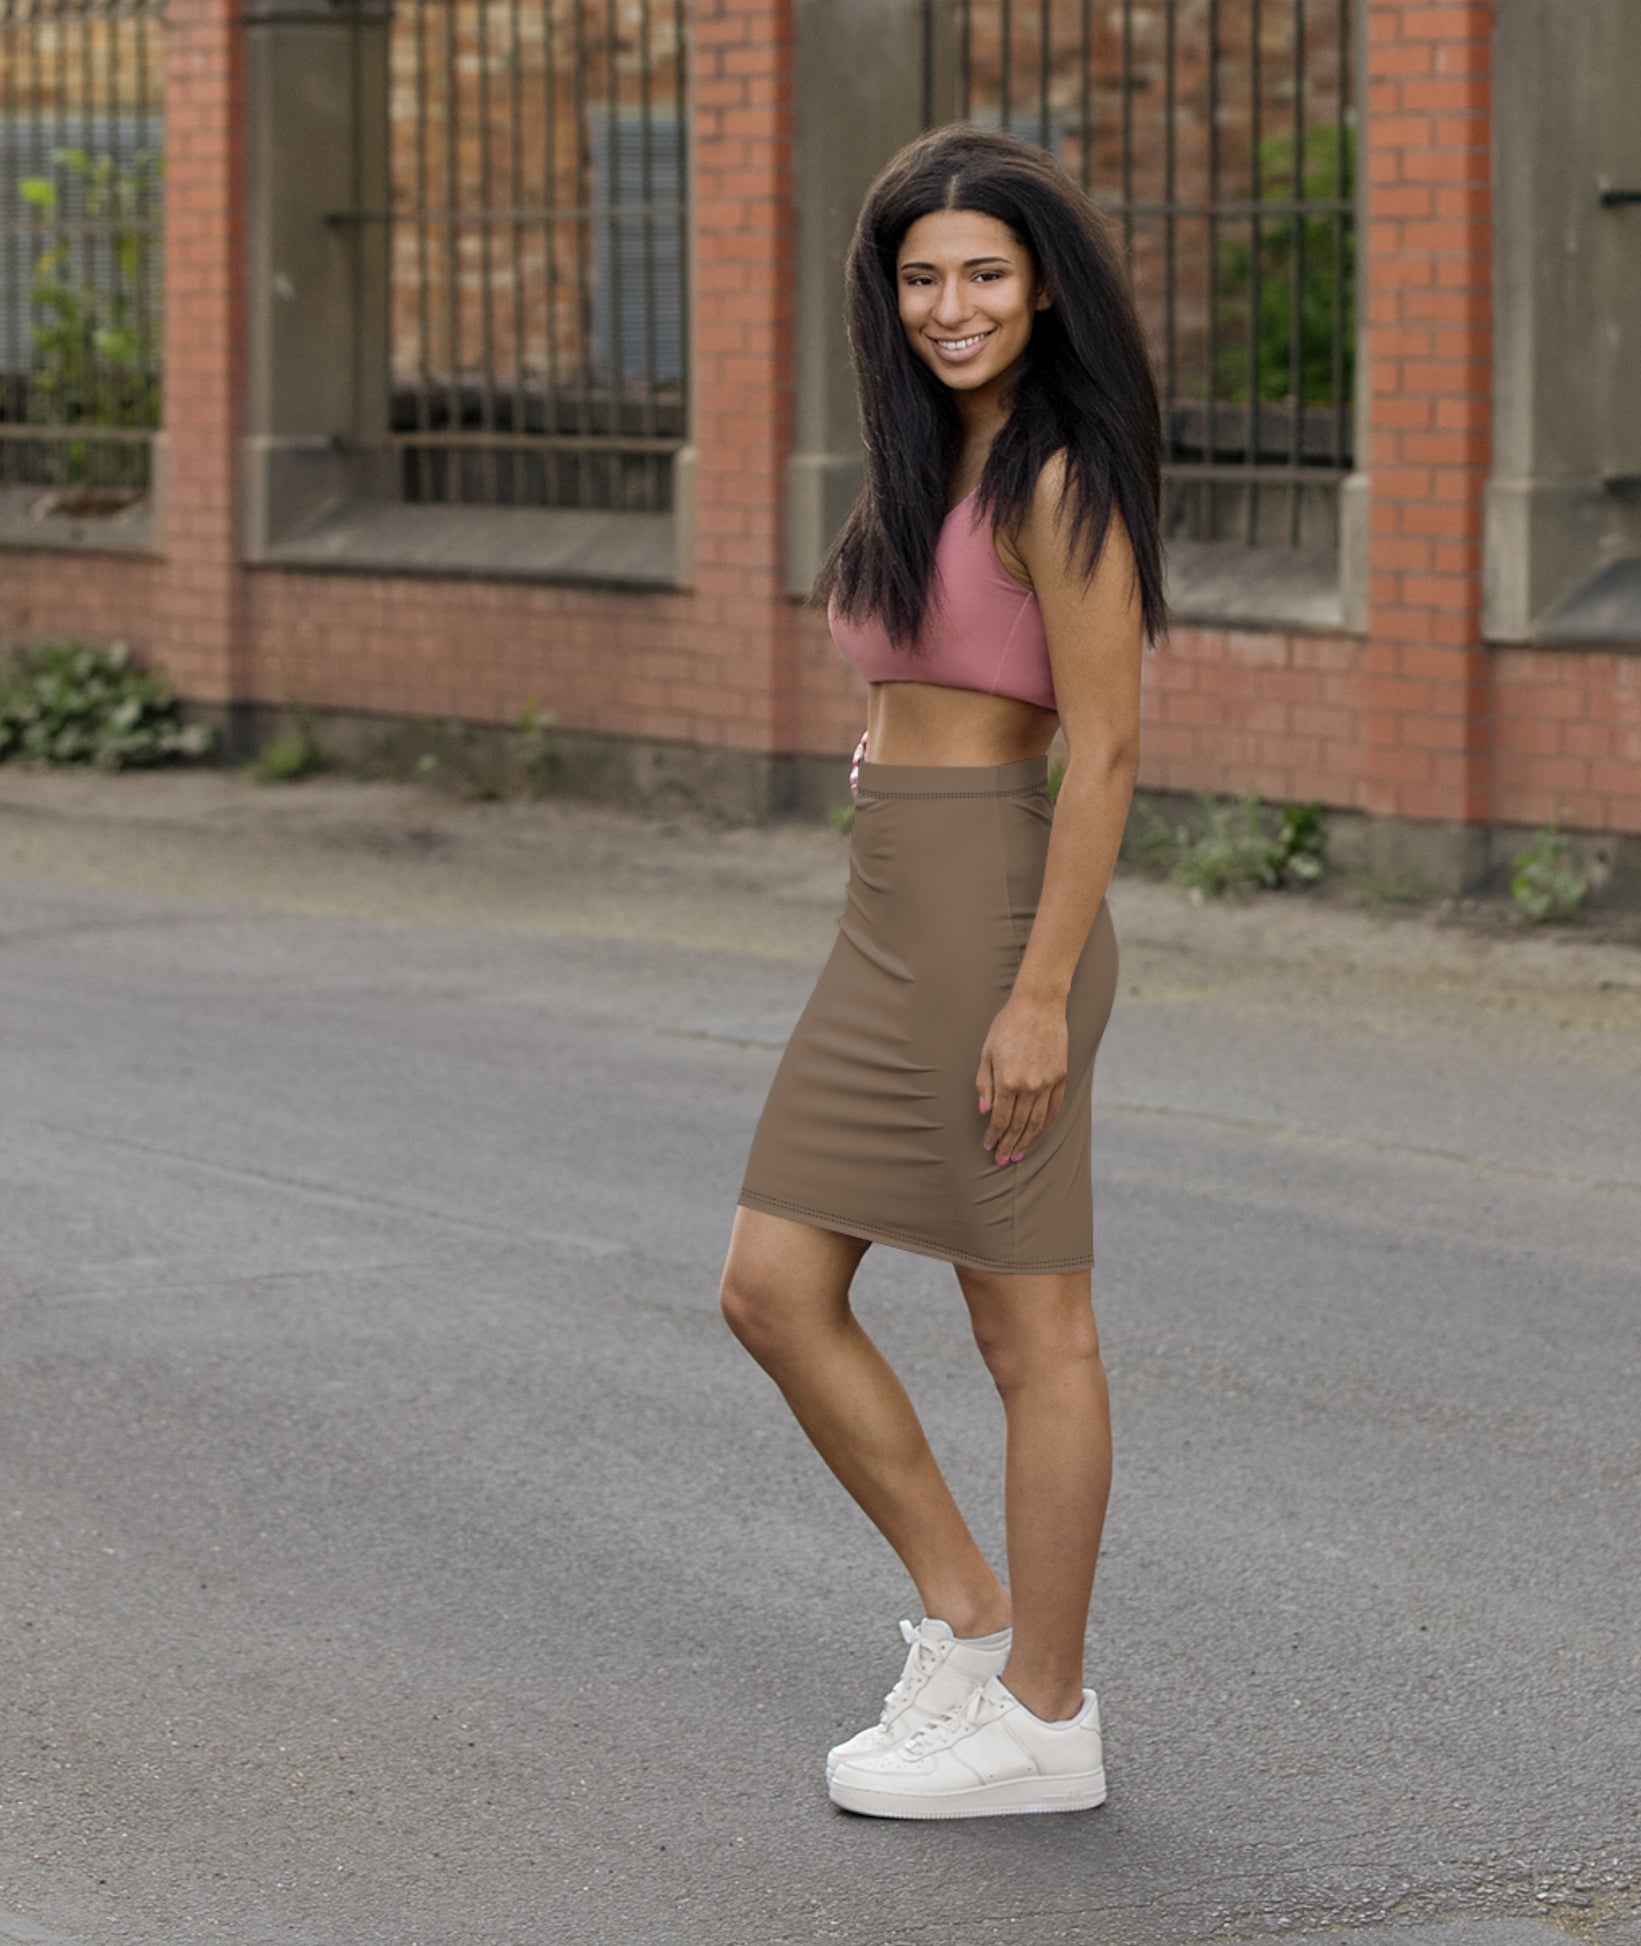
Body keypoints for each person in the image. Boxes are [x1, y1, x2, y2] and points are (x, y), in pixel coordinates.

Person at [717, 123, 1166, 1821]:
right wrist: (871, 760)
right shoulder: (929, 464)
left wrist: (1041, 989)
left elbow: (1108, 751)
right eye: (921, 277)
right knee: (769, 1284)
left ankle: (1045, 1714)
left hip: (994, 911)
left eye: (983, 272)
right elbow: (913, 664)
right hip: (887, 905)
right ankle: (967, 1623)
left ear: (1042, 284)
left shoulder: (1061, 474)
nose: (951, 305)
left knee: (1028, 1327)